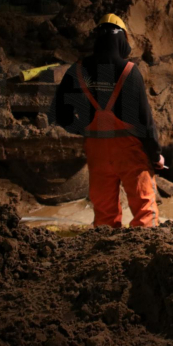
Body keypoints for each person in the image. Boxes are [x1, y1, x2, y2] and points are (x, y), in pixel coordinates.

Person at [49, 14, 163, 228]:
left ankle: (104, 256)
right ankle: (145, 254)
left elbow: (59, 113)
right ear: (122, 40)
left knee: (104, 217)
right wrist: (155, 155)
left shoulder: (78, 70)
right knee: (145, 212)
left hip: (97, 151)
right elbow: (145, 121)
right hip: (130, 152)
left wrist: (84, 129)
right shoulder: (130, 72)